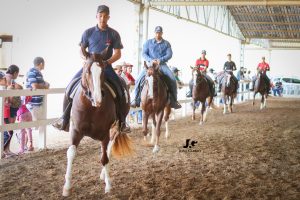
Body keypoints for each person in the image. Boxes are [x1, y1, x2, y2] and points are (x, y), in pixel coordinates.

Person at [52, 5, 130, 133]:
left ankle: (122, 121)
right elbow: (81, 51)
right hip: (89, 67)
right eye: (100, 16)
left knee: (120, 89)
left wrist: (106, 62)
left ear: (108, 17)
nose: (102, 18)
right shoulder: (88, 33)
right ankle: (64, 120)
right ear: (96, 16)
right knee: (70, 87)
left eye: (105, 16)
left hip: (106, 67)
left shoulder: (114, 34)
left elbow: (118, 53)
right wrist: (87, 60)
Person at [130, 26, 181, 109]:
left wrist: (160, 60)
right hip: (150, 65)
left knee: (172, 79)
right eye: (156, 32)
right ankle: (135, 99)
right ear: (154, 33)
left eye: (159, 32)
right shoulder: (148, 42)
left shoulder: (166, 43)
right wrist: (151, 60)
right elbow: (144, 53)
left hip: (162, 65)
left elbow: (169, 54)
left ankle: (174, 101)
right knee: (139, 79)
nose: (158, 34)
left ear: (162, 33)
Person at [2, 65, 22, 158]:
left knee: (9, 130)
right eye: (17, 74)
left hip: (11, 108)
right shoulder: (8, 79)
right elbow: (9, 94)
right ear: (15, 73)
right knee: (9, 130)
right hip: (9, 108)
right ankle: (4, 150)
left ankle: (6, 149)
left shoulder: (8, 78)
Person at [25, 57, 50, 128]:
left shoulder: (38, 73)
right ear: (41, 64)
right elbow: (34, 85)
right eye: (44, 64)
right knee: (36, 125)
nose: (44, 65)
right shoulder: (32, 72)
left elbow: (39, 83)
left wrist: (45, 83)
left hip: (38, 102)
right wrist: (45, 86)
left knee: (39, 125)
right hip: (33, 103)